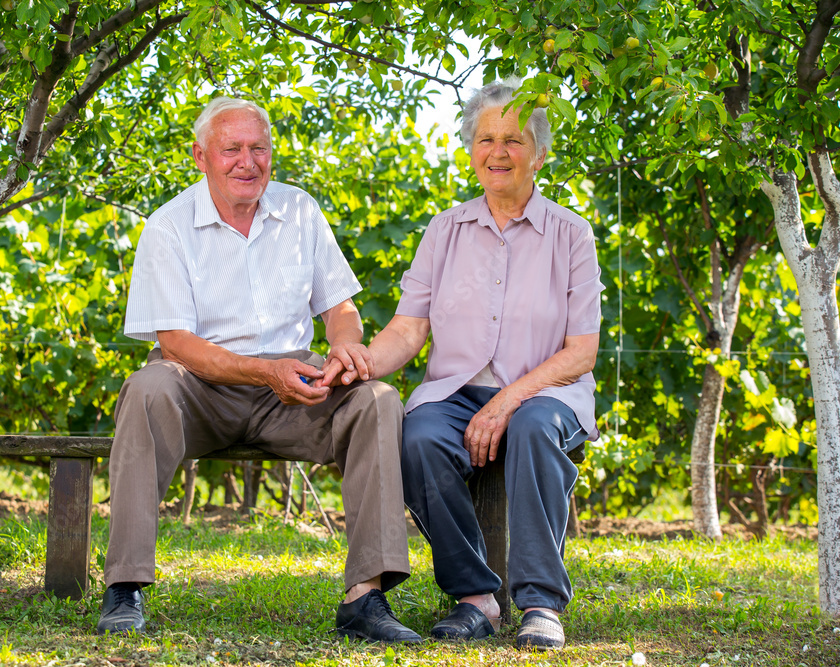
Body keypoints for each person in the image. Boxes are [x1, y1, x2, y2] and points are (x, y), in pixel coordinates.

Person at [96, 96, 419, 643]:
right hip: (199, 385)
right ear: (201, 157)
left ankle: (366, 596)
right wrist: (262, 372)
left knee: (378, 400)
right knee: (147, 387)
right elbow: (174, 342)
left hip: (293, 388)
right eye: (232, 150)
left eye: (258, 148)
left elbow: (339, 307)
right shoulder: (168, 226)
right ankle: (124, 586)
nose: (247, 161)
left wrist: (343, 350)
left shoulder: (299, 210)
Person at [320, 80, 604, 649]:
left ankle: (541, 603)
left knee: (529, 426)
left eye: (514, 140)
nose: (498, 152)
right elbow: (409, 328)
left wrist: (505, 400)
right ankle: (475, 597)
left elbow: (581, 351)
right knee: (418, 435)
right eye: (486, 139)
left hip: (547, 394)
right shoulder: (445, 230)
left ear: (539, 154)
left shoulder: (571, 234)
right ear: (471, 150)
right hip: (456, 393)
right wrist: (360, 362)